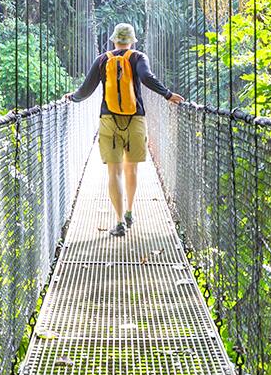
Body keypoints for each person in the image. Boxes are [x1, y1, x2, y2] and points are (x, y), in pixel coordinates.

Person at [65, 23, 183, 236]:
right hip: (135, 119)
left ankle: (119, 222)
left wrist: (72, 98)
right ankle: (129, 212)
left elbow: (87, 89)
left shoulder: (102, 60)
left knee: (114, 171)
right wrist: (167, 94)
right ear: (132, 40)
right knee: (132, 168)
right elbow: (146, 78)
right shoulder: (138, 57)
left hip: (109, 119)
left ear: (113, 40)